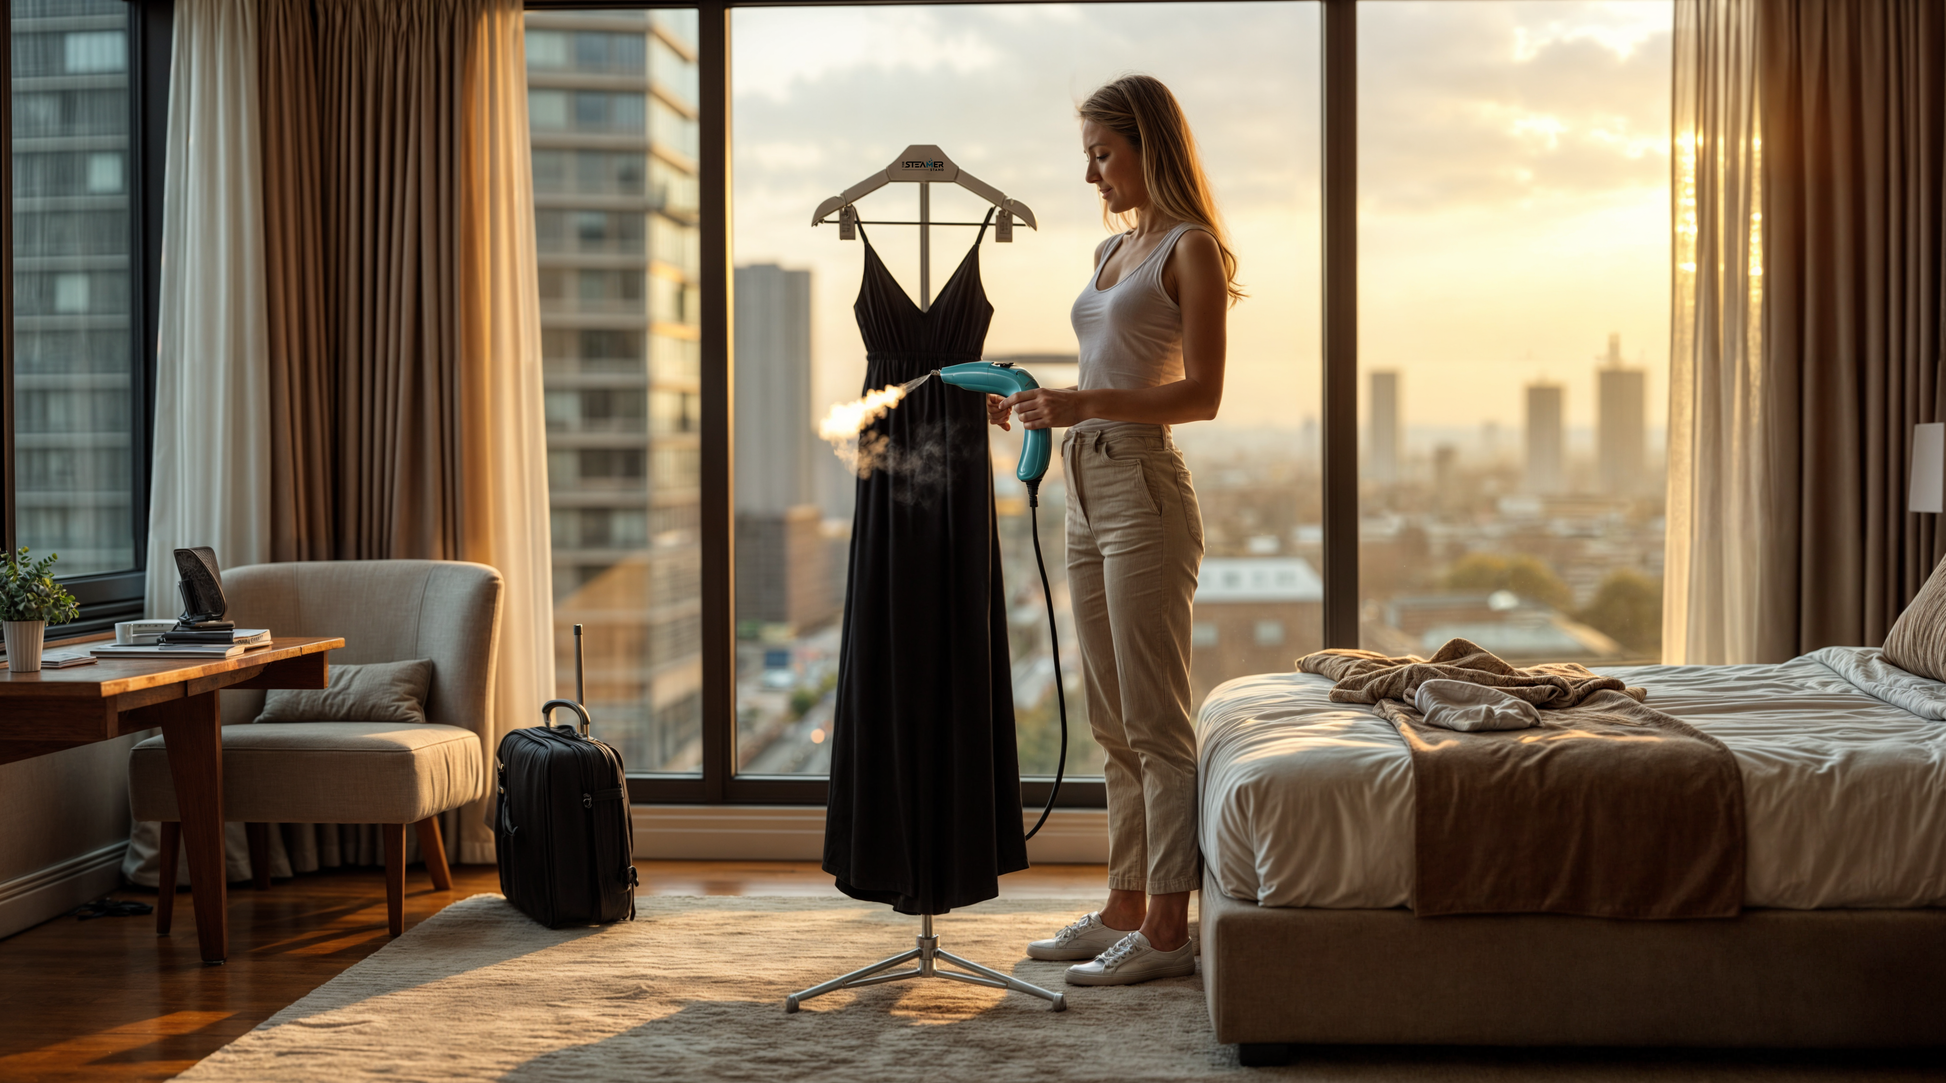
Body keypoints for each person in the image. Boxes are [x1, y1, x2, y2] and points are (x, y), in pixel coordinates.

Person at [990, 73, 1241, 987]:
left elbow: (1203, 394)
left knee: (1155, 717)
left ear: (1149, 144)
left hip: (1143, 482)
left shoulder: (1191, 247)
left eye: (1103, 152)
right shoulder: (1112, 248)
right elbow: (1102, 362)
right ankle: (1125, 905)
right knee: (1109, 719)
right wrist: (1038, 410)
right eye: (1087, 155)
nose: (1092, 172)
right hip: (1083, 482)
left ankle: (1171, 929)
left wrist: (1084, 398)